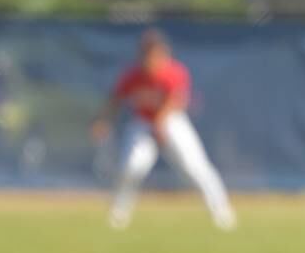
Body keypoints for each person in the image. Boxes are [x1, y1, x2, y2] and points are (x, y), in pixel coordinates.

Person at [90, 28, 237, 231]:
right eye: (146, 52)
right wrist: (104, 120)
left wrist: (161, 121)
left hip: (172, 122)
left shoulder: (173, 71)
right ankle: (118, 214)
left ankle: (222, 211)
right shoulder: (133, 75)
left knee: (194, 166)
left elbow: (178, 100)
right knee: (132, 166)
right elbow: (115, 100)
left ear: (163, 53)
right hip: (143, 123)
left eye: (154, 52)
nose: (150, 57)